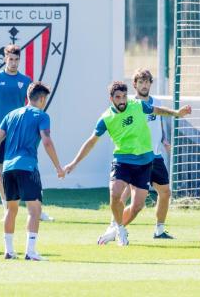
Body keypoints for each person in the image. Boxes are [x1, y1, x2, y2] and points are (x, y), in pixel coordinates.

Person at [64, 81, 191, 246]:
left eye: (124, 96)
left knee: (137, 206)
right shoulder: (106, 119)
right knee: (115, 193)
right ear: (111, 99)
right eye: (118, 97)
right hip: (123, 160)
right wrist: (74, 163)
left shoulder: (137, 105)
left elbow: (157, 110)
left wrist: (176, 113)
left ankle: (114, 230)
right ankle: (120, 229)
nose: (122, 100)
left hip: (145, 161)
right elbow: (91, 142)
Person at [0, 44, 53, 222]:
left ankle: (37, 208)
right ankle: (7, 207)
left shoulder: (26, 80)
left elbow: (34, 105)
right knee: (0, 170)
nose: (13, 62)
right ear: (5, 59)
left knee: (29, 166)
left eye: (17, 59)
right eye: (10, 59)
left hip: (20, 133)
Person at [0, 82, 65, 260]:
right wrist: (58, 167)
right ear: (41, 98)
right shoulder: (41, 115)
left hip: (8, 168)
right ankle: (30, 251)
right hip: (27, 167)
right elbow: (46, 142)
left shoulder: (11, 115)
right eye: (44, 99)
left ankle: (8, 251)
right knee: (34, 210)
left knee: (11, 209)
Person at [119, 69, 174, 239]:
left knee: (165, 193)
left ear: (151, 83)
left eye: (147, 82)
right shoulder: (130, 104)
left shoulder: (155, 102)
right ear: (134, 84)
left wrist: (164, 139)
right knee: (133, 201)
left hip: (155, 157)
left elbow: (159, 124)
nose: (144, 85)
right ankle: (116, 227)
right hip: (136, 157)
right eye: (140, 82)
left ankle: (159, 229)